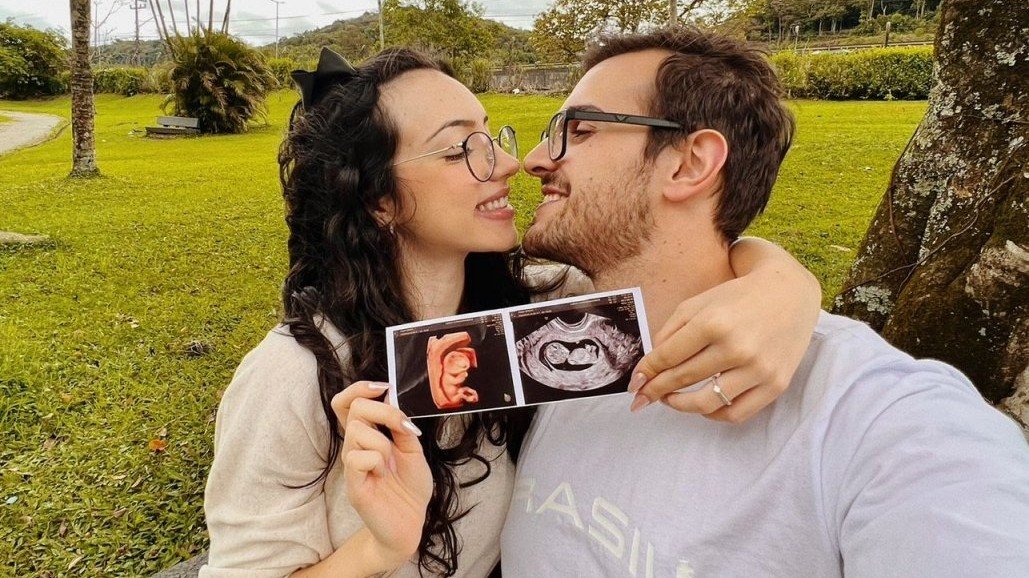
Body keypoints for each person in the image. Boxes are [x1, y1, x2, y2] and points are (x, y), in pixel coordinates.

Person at [199, 48, 821, 578]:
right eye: (458, 150)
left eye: (490, 137)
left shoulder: (538, 307)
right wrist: (379, 549)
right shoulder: (298, 373)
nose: (506, 164)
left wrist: (784, 287)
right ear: (379, 200)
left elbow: (677, 263)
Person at [499, 27, 1029, 577]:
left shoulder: (886, 420)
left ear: (690, 164)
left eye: (580, 130)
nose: (534, 160)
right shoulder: (553, 338)